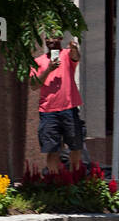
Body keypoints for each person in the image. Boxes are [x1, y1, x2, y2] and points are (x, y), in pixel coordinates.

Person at [29, 34, 85, 174]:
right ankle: (54, 182)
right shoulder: (38, 61)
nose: (50, 41)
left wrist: (74, 48)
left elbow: (76, 57)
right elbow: (34, 85)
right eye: (48, 38)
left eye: (54, 37)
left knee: (75, 146)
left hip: (69, 108)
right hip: (48, 111)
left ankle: (75, 180)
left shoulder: (66, 55)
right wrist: (49, 69)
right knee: (51, 149)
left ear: (60, 38)